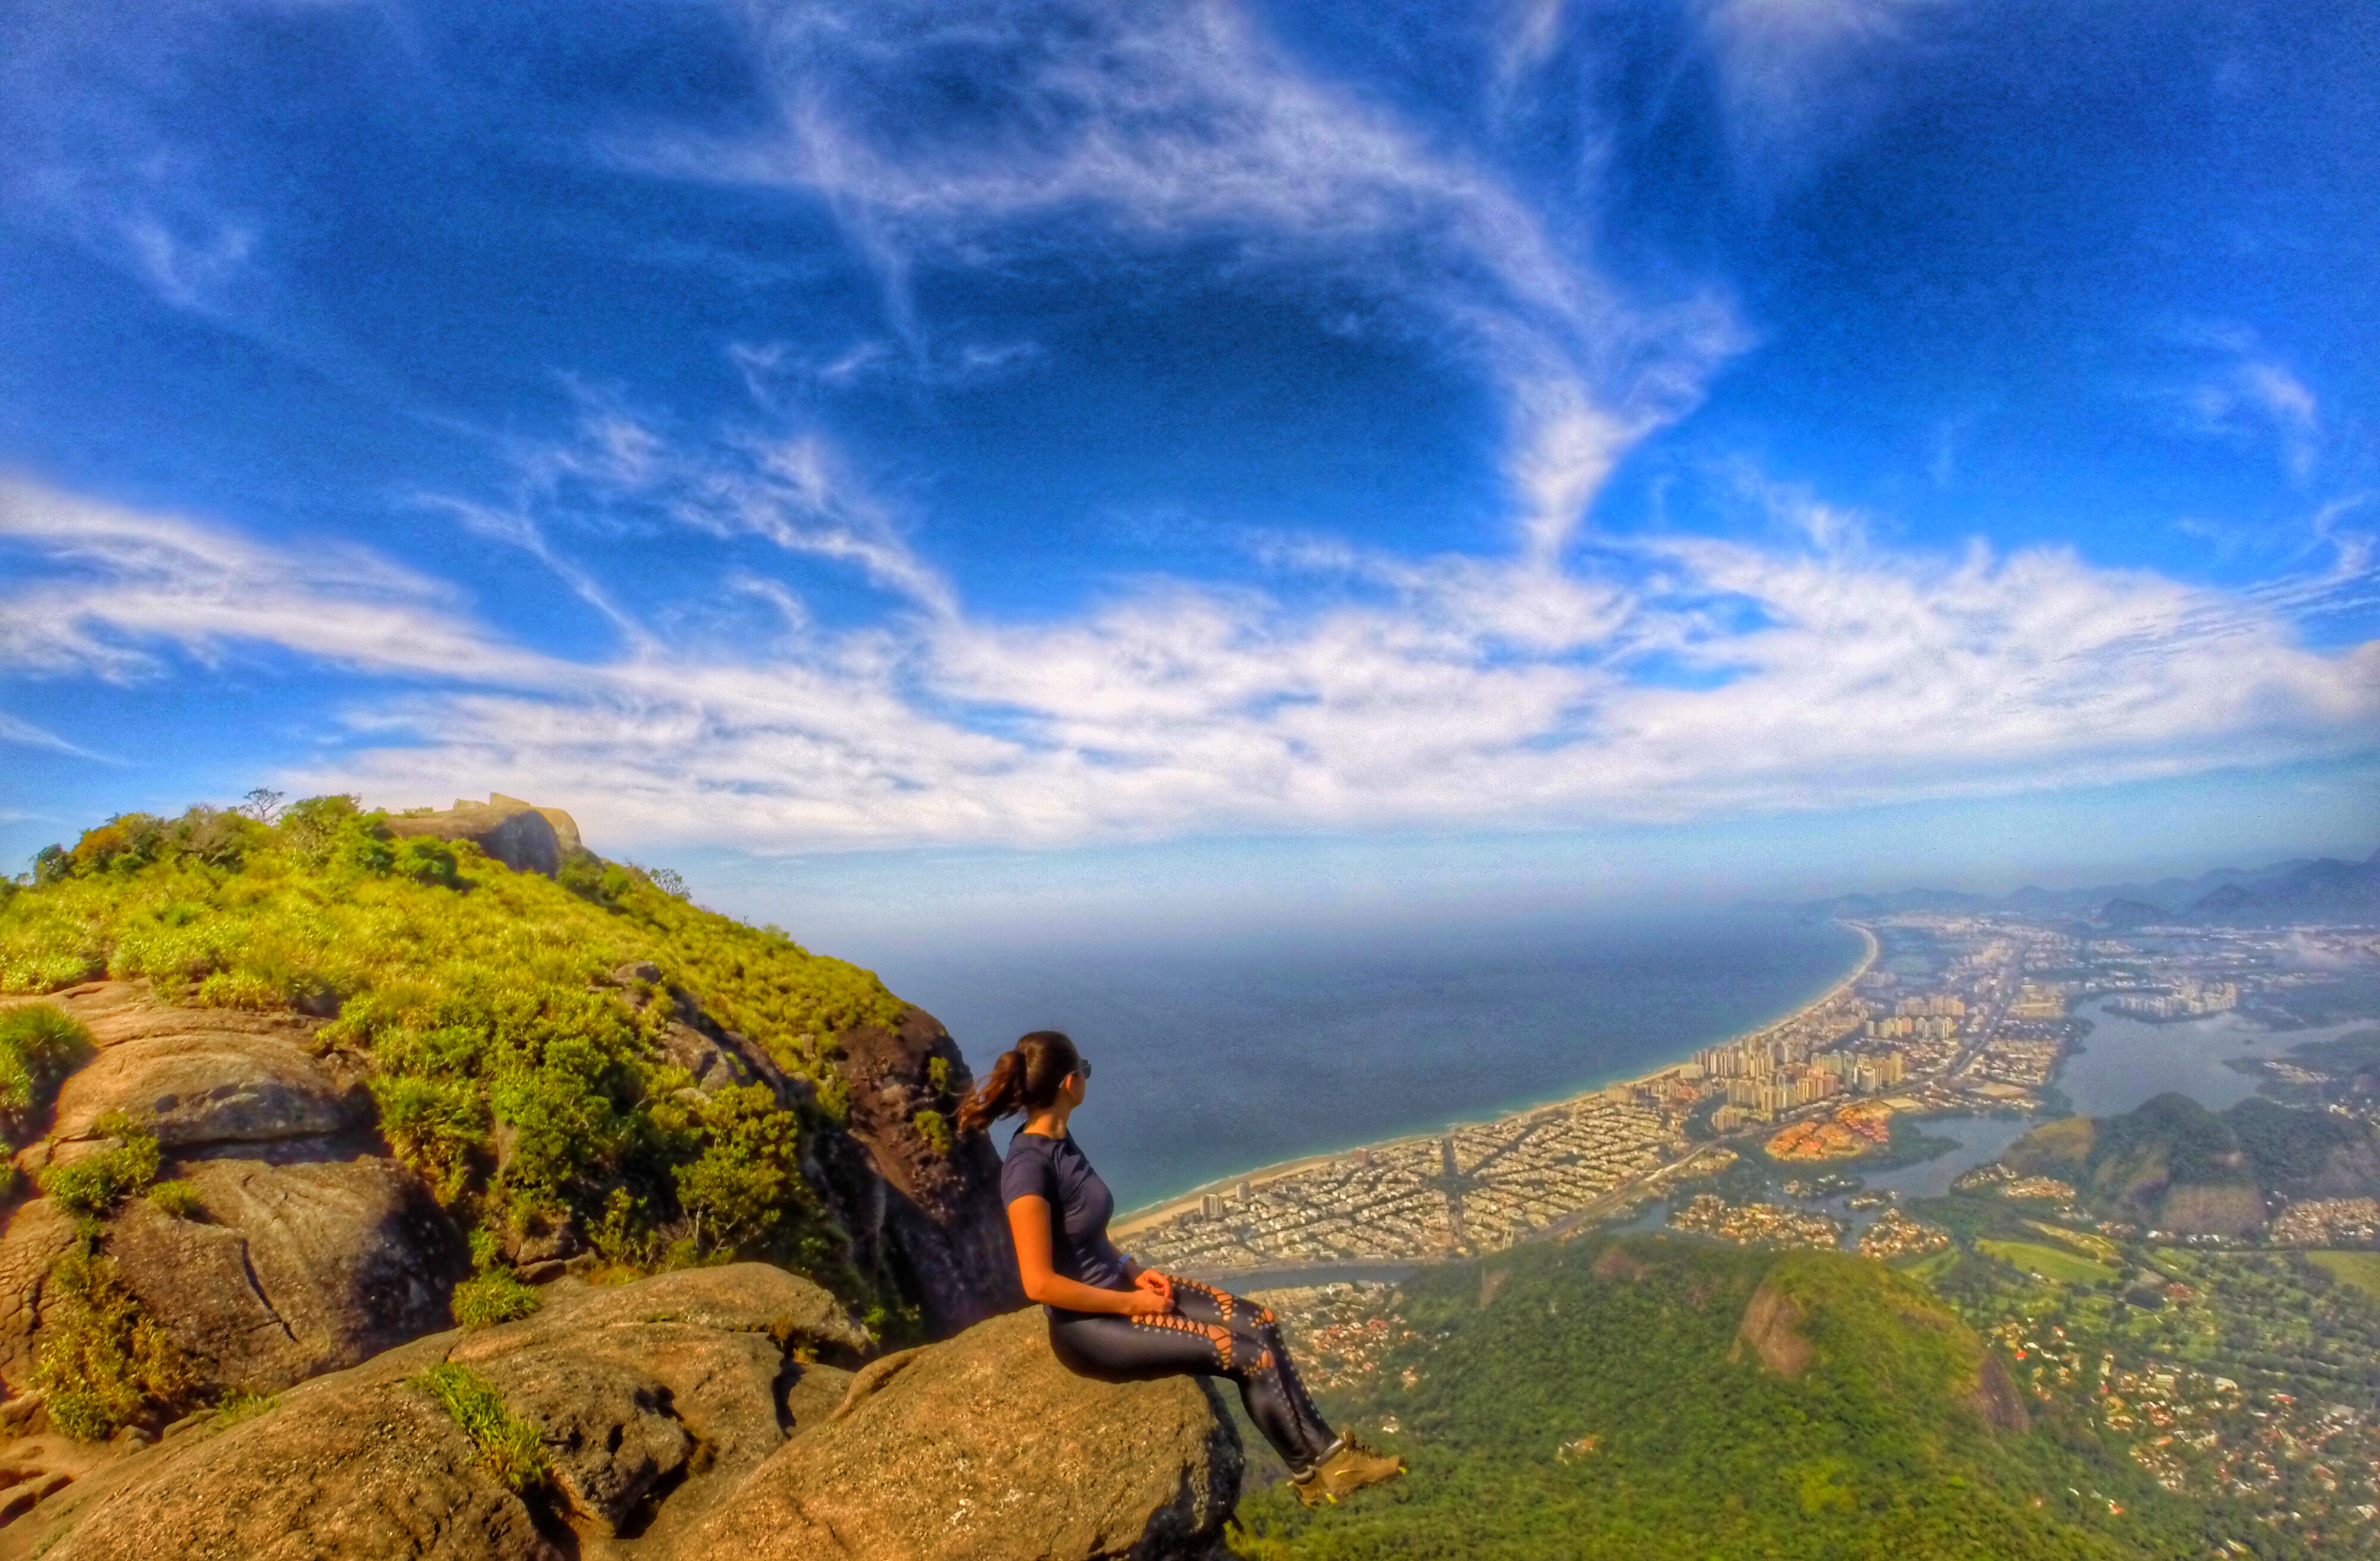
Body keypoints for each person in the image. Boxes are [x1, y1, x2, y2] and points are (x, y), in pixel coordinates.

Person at [959, 1030, 1404, 1507]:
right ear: (1070, 1084)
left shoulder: (1062, 1141)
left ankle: (1335, 1456)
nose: (1086, 1078)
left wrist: (1133, 1270)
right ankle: (1310, 1477)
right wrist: (1132, 1302)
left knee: (1261, 1322)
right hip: (1088, 1328)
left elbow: (1087, 1236)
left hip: (1121, 1292)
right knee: (1248, 1357)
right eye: (1084, 1070)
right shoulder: (1026, 1167)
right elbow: (1040, 1283)